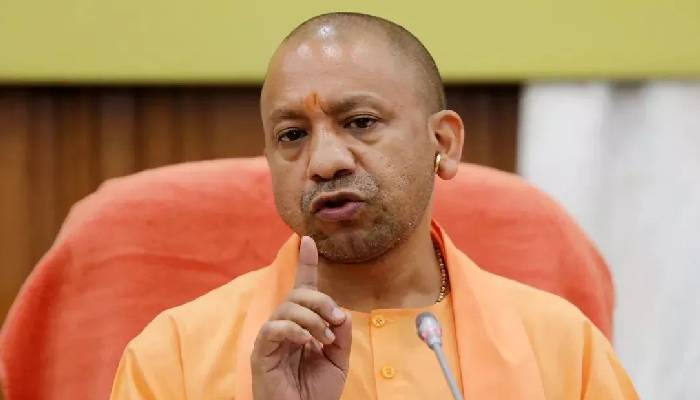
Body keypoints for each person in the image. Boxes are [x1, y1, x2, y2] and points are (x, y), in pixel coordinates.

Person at [110, 12, 638, 399]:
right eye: (292, 134)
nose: (325, 162)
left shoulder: (562, 347)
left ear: (444, 143)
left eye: (360, 123)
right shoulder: (175, 357)